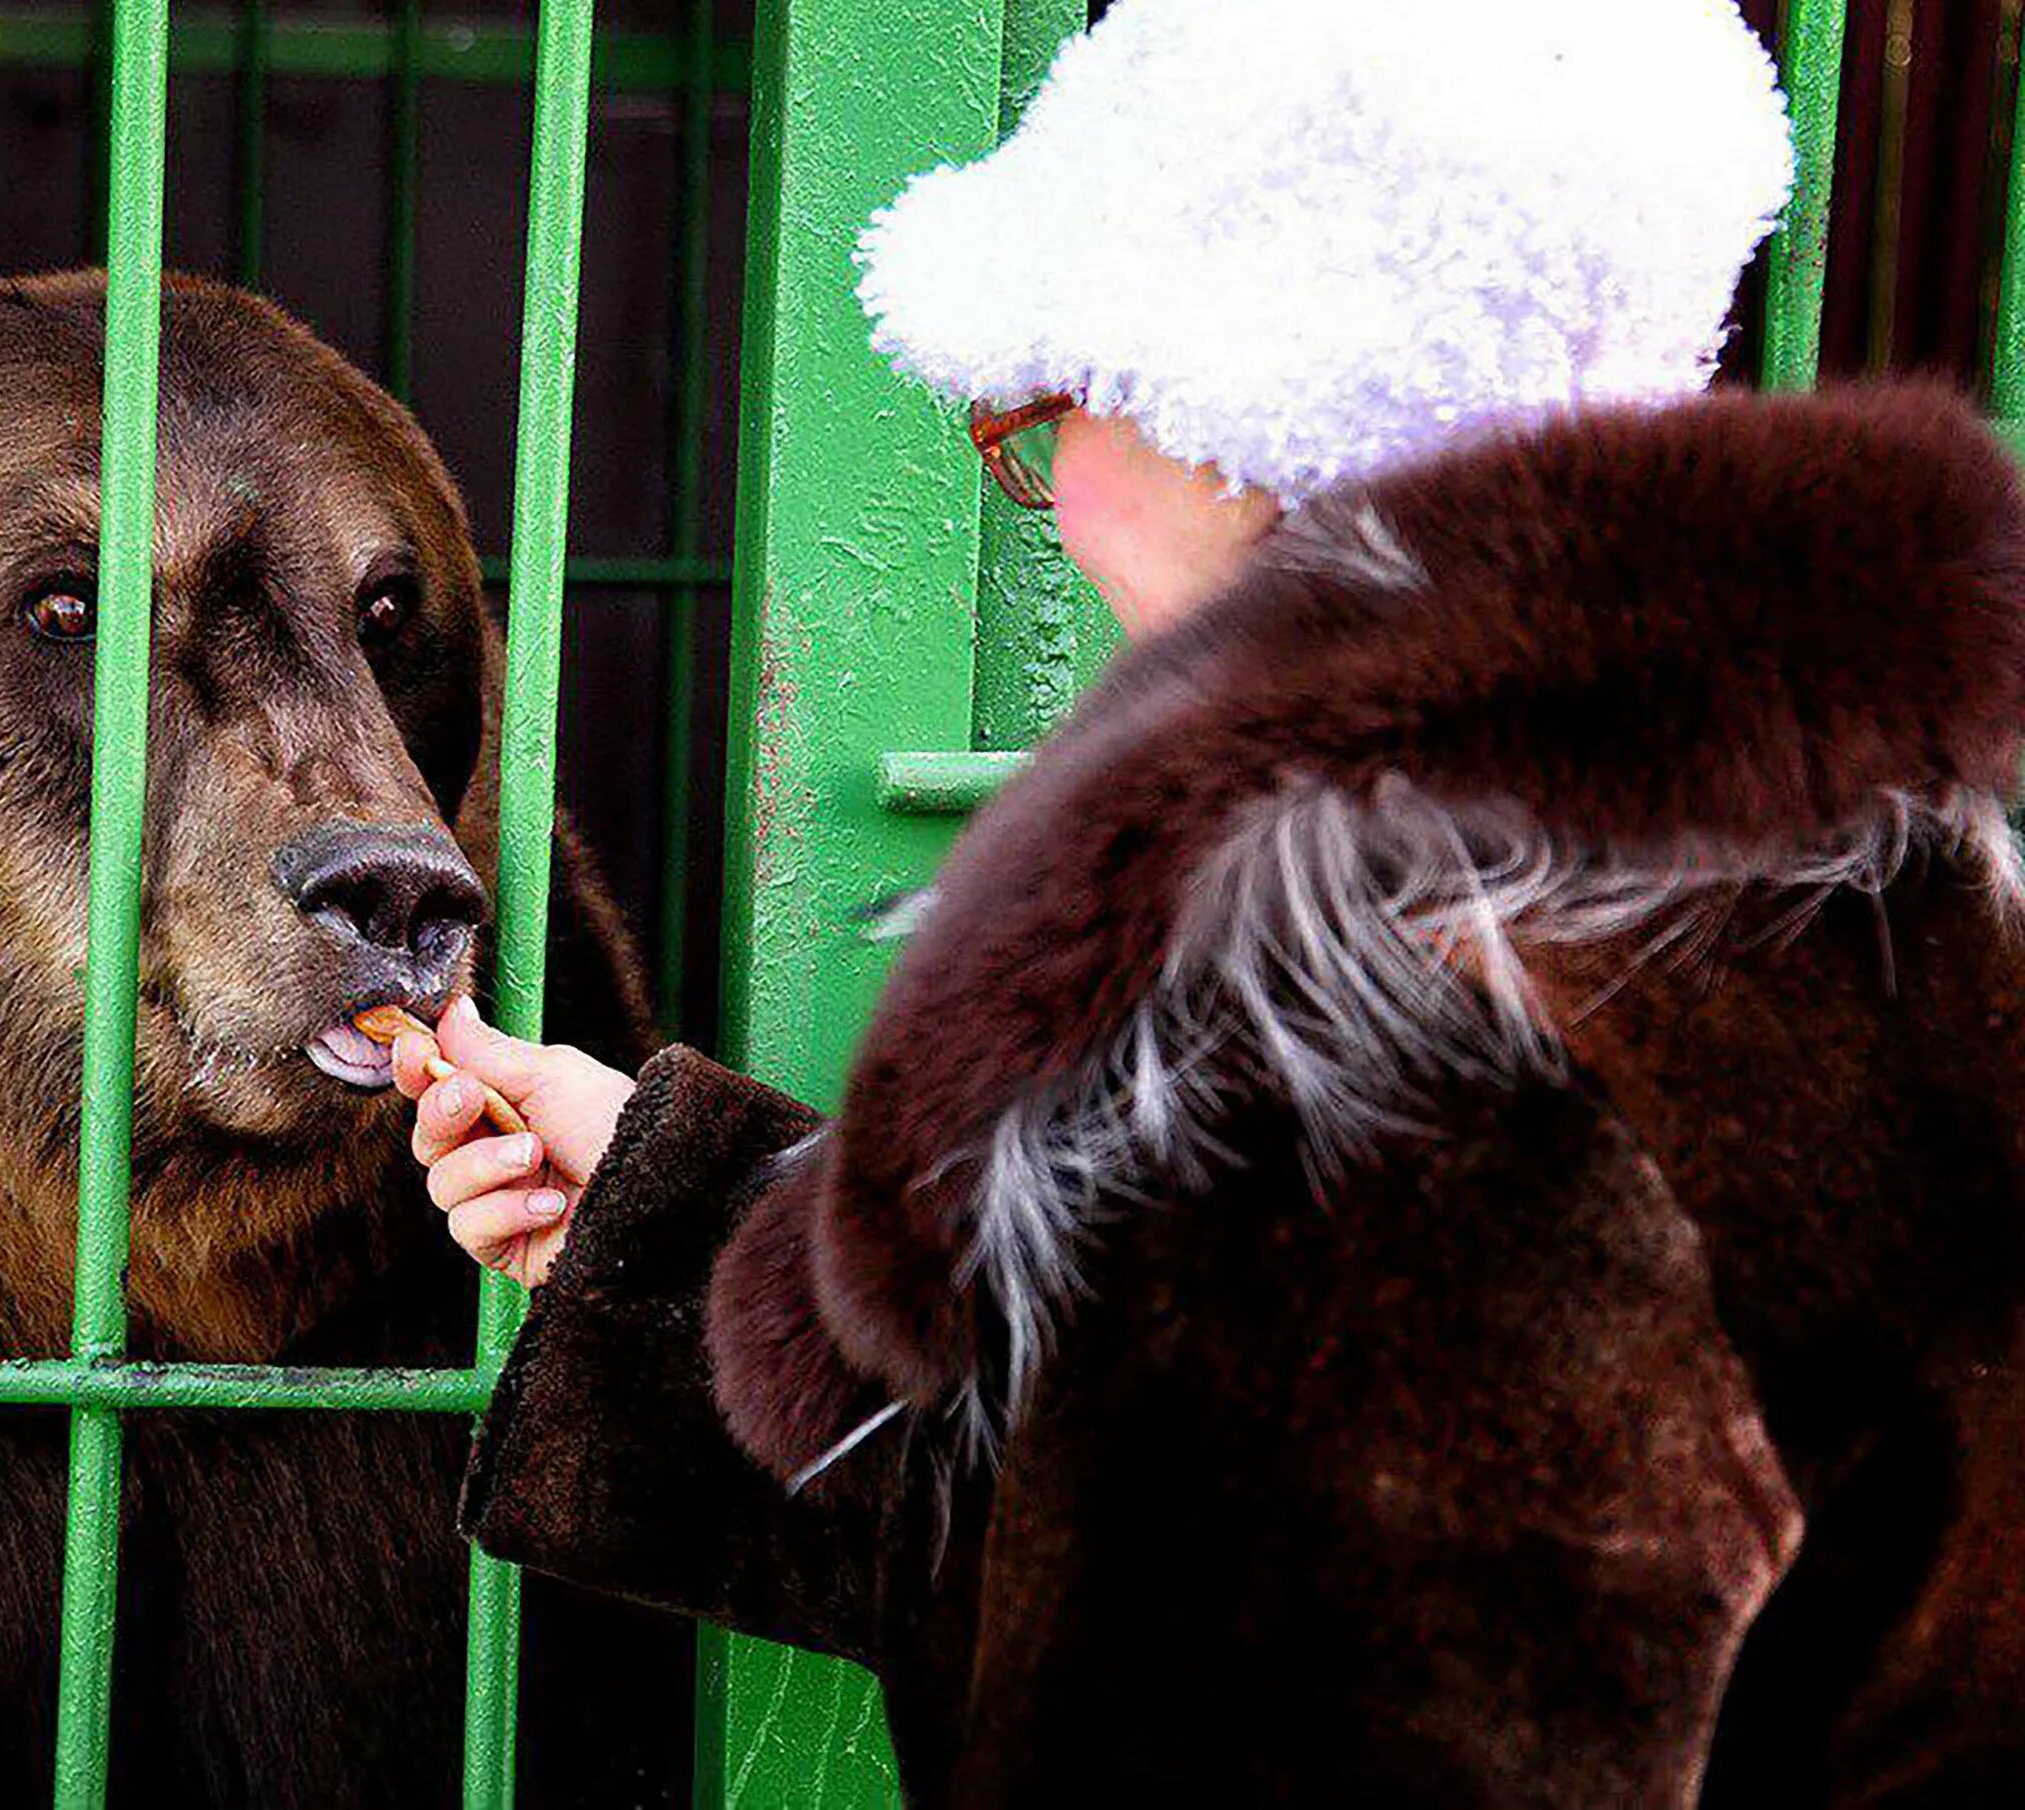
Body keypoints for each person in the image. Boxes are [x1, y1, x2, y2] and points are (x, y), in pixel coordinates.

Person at [394, 0, 2025, 1801]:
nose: (1051, 490)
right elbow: (1201, 1550)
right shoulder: (1849, 876)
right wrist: (680, 1237)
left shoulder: (1410, 1034)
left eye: (1049, 413)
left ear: (1239, 412)